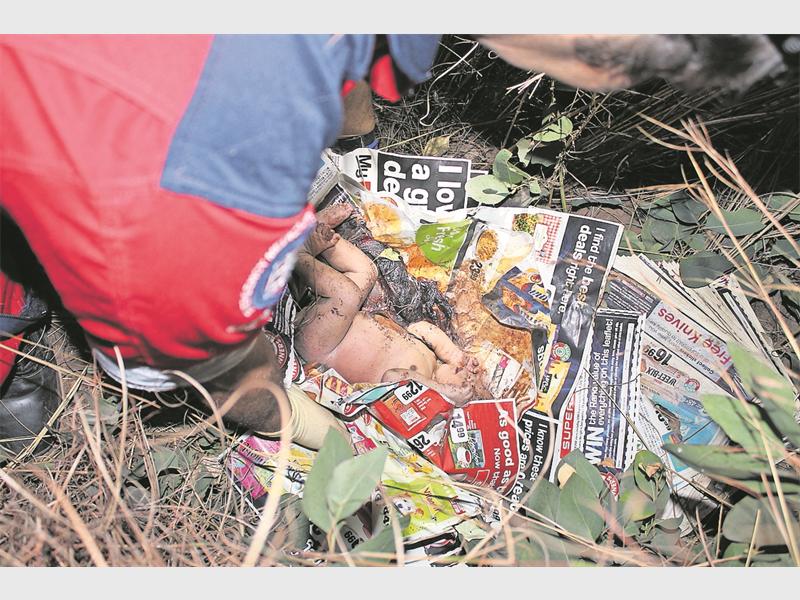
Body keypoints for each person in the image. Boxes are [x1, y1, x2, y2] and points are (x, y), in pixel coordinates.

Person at [0, 34, 788, 450]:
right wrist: (323, 438)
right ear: (600, 56)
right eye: (644, 78)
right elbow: (227, 378)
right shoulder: (192, 207)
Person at [293, 204, 483, 406]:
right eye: (472, 377)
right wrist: (454, 354)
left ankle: (297, 253)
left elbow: (392, 377)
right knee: (367, 271)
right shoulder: (430, 360)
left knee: (347, 295)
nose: (469, 377)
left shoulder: (420, 393)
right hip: (343, 318)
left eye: (468, 388)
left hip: (323, 345)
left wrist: (442, 391)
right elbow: (418, 328)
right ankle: (315, 232)